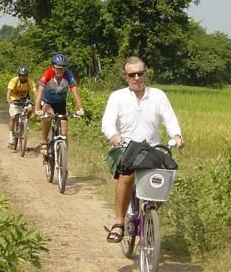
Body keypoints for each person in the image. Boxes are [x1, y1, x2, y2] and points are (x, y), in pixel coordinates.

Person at [101, 56, 185, 243]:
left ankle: (149, 217)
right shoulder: (117, 97)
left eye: (140, 73)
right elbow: (107, 123)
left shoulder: (158, 95)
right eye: (132, 74)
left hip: (151, 149)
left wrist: (177, 136)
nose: (137, 78)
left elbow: (170, 120)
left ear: (145, 74)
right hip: (125, 148)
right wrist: (114, 136)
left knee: (166, 176)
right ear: (125, 76)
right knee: (128, 174)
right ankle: (119, 223)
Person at [34, 54, 84, 154]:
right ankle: (44, 142)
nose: (60, 71)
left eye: (62, 68)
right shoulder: (48, 73)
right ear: (53, 67)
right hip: (47, 102)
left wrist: (80, 108)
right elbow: (40, 91)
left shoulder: (68, 74)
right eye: (58, 68)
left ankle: (62, 164)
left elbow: (74, 91)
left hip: (61, 103)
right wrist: (37, 108)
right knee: (49, 116)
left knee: (64, 135)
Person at [6, 66, 37, 146]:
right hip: (14, 99)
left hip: (25, 99)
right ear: (19, 75)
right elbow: (9, 91)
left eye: (25, 75)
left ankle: (25, 122)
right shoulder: (14, 80)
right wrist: (8, 99)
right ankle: (11, 135)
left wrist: (38, 101)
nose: (23, 77)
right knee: (13, 117)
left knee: (30, 109)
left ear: (27, 76)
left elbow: (35, 91)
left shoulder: (29, 82)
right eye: (21, 75)